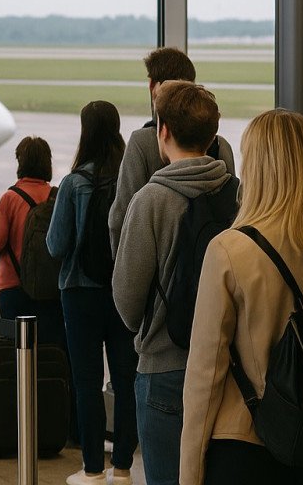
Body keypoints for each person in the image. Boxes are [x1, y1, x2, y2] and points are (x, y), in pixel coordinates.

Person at [181, 109, 303, 485]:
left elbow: (204, 379)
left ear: (256, 169)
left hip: (245, 447)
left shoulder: (229, 250)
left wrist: (189, 475)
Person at [113, 81, 234, 485]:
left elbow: (128, 304)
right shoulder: (239, 196)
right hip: (228, 367)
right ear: (213, 136)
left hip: (166, 368)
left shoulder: (150, 201)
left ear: (162, 131)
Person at [47, 102, 138, 485]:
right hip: (122, 291)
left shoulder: (73, 184)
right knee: (126, 380)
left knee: (86, 383)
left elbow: (56, 245)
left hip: (79, 293)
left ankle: (93, 470)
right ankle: (124, 468)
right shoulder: (130, 182)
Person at [108, 47, 235, 253]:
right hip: (215, 257)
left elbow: (121, 216)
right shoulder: (221, 145)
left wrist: (121, 259)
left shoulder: (142, 141)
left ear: (153, 86)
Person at [0, 136, 64, 338]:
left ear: (20, 162)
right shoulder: (56, 197)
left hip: (13, 287)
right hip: (50, 287)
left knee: (17, 349)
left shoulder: (10, 198)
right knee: (50, 349)